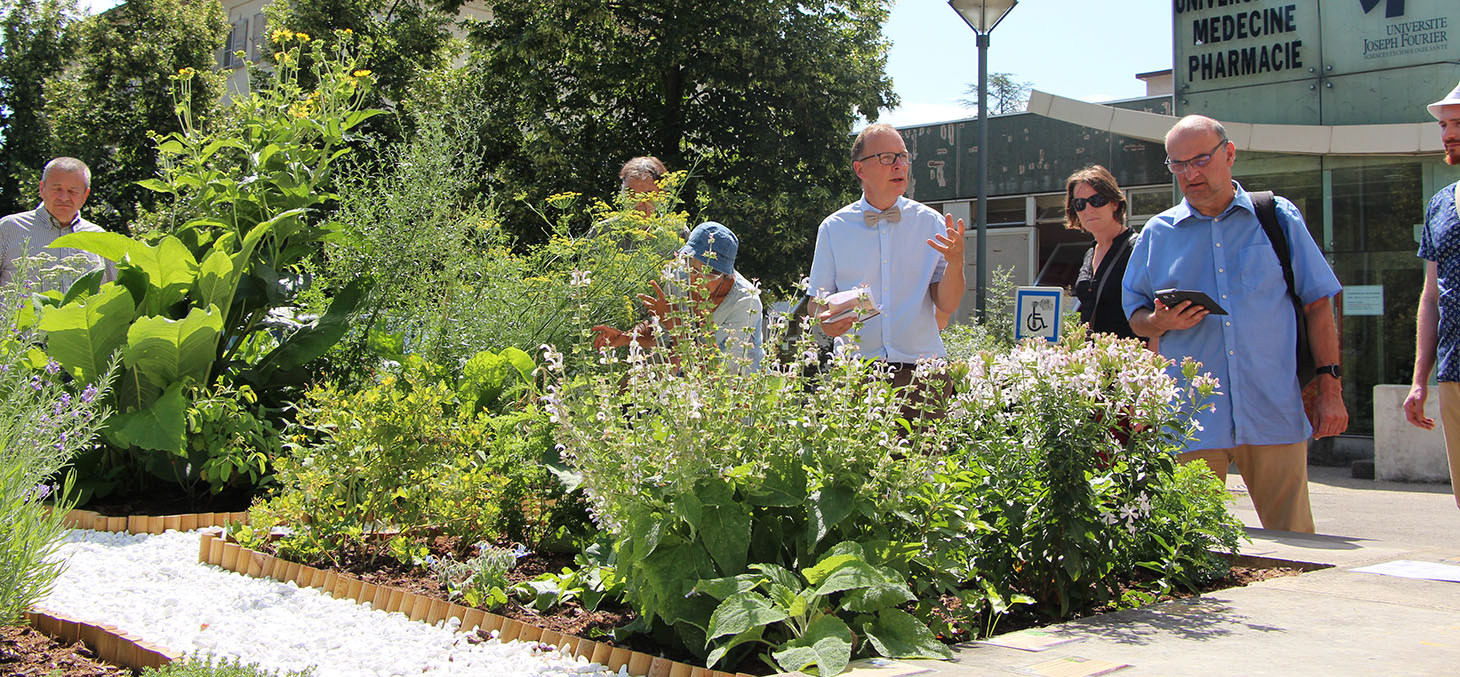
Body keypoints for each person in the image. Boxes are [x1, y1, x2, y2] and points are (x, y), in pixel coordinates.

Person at [1122, 115, 1346, 533]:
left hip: (1273, 409)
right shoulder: (1158, 232)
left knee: (1295, 543)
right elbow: (1136, 318)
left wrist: (1329, 388)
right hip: (1191, 416)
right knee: (1189, 548)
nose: (1190, 174)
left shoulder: (1276, 217)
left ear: (1229, 154)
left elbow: (1319, 304)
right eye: (1177, 164)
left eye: (1201, 160)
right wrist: (1159, 320)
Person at [806, 123, 965, 401]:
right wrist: (826, 323)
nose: (899, 165)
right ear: (860, 169)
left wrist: (956, 264)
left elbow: (948, 305)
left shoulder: (932, 223)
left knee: (927, 447)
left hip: (923, 375)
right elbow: (816, 302)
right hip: (855, 374)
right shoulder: (834, 228)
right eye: (887, 157)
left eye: (903, 156)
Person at [592, 221, 763, 373]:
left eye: (707, 272)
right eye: (689, 265)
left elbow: (714, 370)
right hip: (687, 386)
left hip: (733, 393)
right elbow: (662, 330)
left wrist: (674, 325)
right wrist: (627, 337)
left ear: (725, 274)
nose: (694, 278)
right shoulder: (679, 277)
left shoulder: (746, 303)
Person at [1402, 79, 1460, 509]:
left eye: (1457, 123)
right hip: (1454, 370)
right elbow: (1431, 297)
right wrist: (1419, 380)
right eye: (1444, 125)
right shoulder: (1441, 204)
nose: (1448, 134)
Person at [0, 157, 115, 289]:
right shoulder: (9, 229)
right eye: (57, 189)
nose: (64, 197)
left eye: (72, 191)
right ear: (42, 188)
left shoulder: (100, 239)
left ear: (85, 195)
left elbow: (120, 292)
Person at [1065, 165, 1144, 343]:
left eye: (1097, 200)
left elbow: (1155, 316)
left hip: (1129, 361)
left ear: (1114, 203)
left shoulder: (1138, 249)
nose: (1088, 209)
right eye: (1080, 204)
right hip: (1094, 361)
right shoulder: (1090, 253)